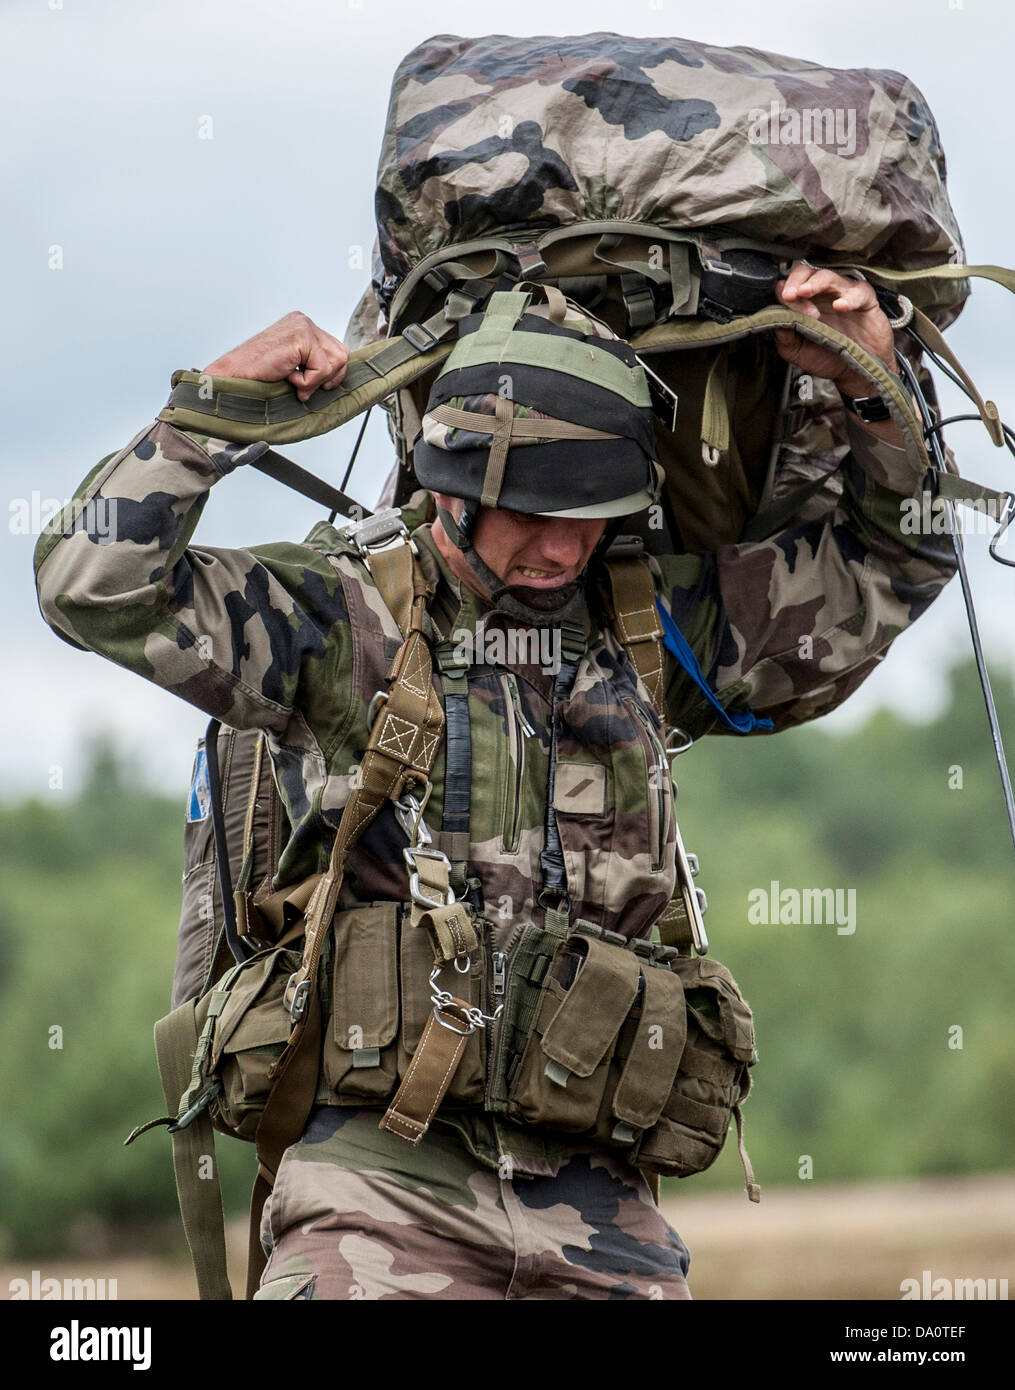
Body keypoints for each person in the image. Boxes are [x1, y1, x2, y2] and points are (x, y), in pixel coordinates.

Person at [33, 264, 954, 1300]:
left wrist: (869, 379)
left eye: (592, 513)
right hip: (377, 1193)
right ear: (455, 480)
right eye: (531, 512)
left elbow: (894, 562)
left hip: (603, 1205)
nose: (562, 546)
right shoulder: (340, 620)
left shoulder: (648, 632)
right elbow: (88, 585)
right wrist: (209, 414)